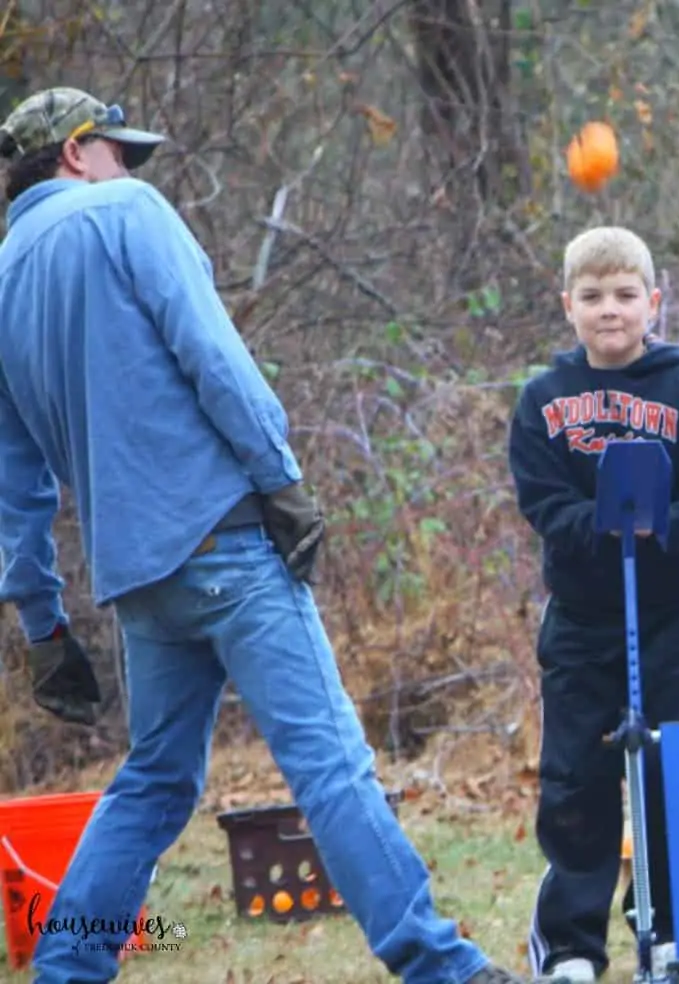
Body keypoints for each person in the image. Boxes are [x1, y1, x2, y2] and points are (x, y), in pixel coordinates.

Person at [0, 86, 538, 984]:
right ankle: (438, 966)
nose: (130, 168)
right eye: (119, 150)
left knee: (155, 780)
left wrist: (40, 623)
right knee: (330, 765)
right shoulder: (124, 210)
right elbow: (211, 352)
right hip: (224, 541)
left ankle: (65, 971)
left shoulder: (4, 279)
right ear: (75, 152)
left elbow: (14, 483)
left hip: (138, 581)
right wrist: (282, 476)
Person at [508, 226, 679, 983]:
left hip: (675, 613)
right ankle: (572, 941)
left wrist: (663, 528)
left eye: (625, 295)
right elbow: (541, 499)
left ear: (654, 304)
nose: (610, 310)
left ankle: (672, 923)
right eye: (593, 296)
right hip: (581, 619)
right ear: (567, 305)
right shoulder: (544, 399)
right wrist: (606, 526)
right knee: (575, 777)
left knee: (671, 771)